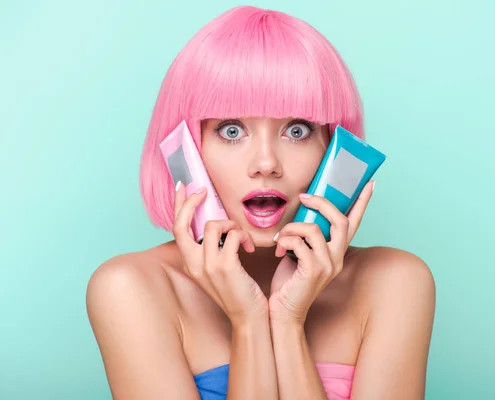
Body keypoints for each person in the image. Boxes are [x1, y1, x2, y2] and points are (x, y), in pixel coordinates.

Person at [86, 5, 436, 400]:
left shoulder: (394, 282)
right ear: (185, 151)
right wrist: (248, 322)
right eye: (231, 130)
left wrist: (287, 323)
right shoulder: (130, 289)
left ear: (336, 150)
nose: (267, 163)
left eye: (298, 130)